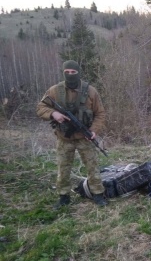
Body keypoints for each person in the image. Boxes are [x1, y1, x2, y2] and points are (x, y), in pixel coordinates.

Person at [37, 60, 108, 209]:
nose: (70, 75)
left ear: (78, 72)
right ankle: (63, 197)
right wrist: (53, 113)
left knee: (93, 167)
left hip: (85, 137)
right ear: (63, 73)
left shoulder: (90, 91)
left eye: (73, 72)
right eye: (67, 72)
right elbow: (41, 107)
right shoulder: (55, 91)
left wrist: (94, 130)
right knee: (63, 168)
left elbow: (100, 114)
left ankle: (97, 194)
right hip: (64, 138)